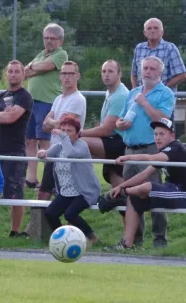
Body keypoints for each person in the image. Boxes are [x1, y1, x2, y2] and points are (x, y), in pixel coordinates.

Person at [99, 56, 175, 248]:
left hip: (151, 149)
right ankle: (136, 241)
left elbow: (163, 120)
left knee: (155, 194)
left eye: (151, 69)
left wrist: (144, 102)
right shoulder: (133, 92)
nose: (147, 72)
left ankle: (160, 240)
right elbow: (120, 120)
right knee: (132, 197)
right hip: (130, 149)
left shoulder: (165, 94)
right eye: (145, 68)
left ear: (160, 72)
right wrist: (120, 124)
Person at [107, 118, 186, 250]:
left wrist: (128, 157)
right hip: (171, 190)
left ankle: (120, 196)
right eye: (156, 134)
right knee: (134, 198)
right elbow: (144, 174)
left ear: (172, 136)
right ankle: (126, 244)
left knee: (148, 187)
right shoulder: (163, 152)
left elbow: (151, 158)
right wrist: (121, 186)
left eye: (162, 134)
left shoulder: (175, 148)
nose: (157, 138)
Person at [0, 60, 33, 238]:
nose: (13, 74)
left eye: (17, 71)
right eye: (10, 71)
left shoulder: (25, 96)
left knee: (15, 192)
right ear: (6, 74)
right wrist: (0, 115)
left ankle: (15, 231)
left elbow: (11, 118)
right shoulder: (0, 96)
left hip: (15, 150)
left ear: (23, 75)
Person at [38, 117, 101, 247]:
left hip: (84, 191)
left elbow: (70, 153)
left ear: (78, 133)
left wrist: (62, 136)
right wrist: (42, 153)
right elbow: (46, 156)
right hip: (66, 191)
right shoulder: (58, 147)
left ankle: (92, 237)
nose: (65, 133)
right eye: (63, 130)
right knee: (50, 213)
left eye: (69, 131)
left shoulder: (82, 145)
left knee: (70, 214)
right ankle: (62, 238)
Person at [24, 23, 68, 190]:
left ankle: (48, 180)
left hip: (48, 102)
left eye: (52, 38)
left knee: (45, 141)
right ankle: (31, 179)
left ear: (60, 40)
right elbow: (24, 72)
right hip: (31, 103)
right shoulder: (41, 54)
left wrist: (35, 67)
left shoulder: (61, 54)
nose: (49, 41)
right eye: (46, 38)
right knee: (30, 140)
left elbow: (47, 66)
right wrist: (37, 68)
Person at [38, 61, 86, 201]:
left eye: (71, 73)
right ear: (59, 76)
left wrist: (52, 122)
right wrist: (55, 122)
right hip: (54, 152)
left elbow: (65, 127)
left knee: (64, 198)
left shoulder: (78, 99)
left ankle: (66, 224)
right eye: (64, 73)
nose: (67, 77)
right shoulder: (58, 99)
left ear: (78, 76)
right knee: (43, 195)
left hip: (67, 154)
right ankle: (41, 224)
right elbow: (45, 126)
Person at [81, 60, 129, 188]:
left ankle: (85, 187)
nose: (106, 74)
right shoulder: (111, 92)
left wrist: (78, 133)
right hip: (112, 140)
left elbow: (106, 130)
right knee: (120, 192)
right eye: (104, 71)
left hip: (120, 143)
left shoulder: (120, 95)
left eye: (111, 71)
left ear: (119, 75)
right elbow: (104, 126)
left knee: (78, 142)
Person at [131, 18, 186, 92]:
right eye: (149, 28)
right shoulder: (139, 48)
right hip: (141, 96)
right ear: (145, 33)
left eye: (156, 28)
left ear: (162, 32)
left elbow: (182, 75)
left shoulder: (170, 48)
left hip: (163, 98)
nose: (152, 31)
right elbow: (134, 74)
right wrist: (135, 91)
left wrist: (162, 89)